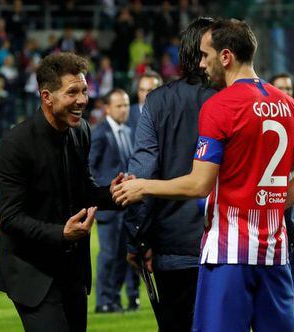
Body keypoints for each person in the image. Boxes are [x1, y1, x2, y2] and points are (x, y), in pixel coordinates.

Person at [114, 18, 294, 332]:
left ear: (225, 56)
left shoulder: (220, 106)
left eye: (205, 55)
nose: (201, 64)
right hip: (274, 253)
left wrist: (142, 186)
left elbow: (199, 184)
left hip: (229, 250)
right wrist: (268, 202)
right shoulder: (290, 105)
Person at [0, 52, 124, 332]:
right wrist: (60, 234)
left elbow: (83, 189)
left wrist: (114, 194)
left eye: (85, 91)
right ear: (47, 97)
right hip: (32, 272)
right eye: (72, 92)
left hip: (72, 269)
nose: (82, 100)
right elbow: (12, 218)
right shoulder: (13, 146)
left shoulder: (82, 131)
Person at [124, 17, 216, 332]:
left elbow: (142, 173)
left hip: (173, 248)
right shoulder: (234, 99)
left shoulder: (158, 101)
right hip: (228, 243)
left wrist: (136, 240)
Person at [89, 88, 140, 313]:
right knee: (108, 255)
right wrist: (105, 192)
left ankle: (115, 298)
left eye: (127, 105)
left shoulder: (128, 131)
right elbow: (90, 168)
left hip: (125, 205)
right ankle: (102, 301)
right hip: (109, 207)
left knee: (121, 256)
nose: (124, 109)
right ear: (107, 108)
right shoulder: (99, 133)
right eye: (119, 105)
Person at [270, 72, 294, 306]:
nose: (285, 92)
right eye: (281, 88)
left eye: (289, 89)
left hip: (288, 193)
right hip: (263, 197)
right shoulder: (261, 118)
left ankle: (290, 292)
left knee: (290, 240)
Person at [126, 71, 162, 139]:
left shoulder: (168, 115)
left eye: (150, 90)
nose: (145, 95)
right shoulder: (126, 114)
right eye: (142, 90)